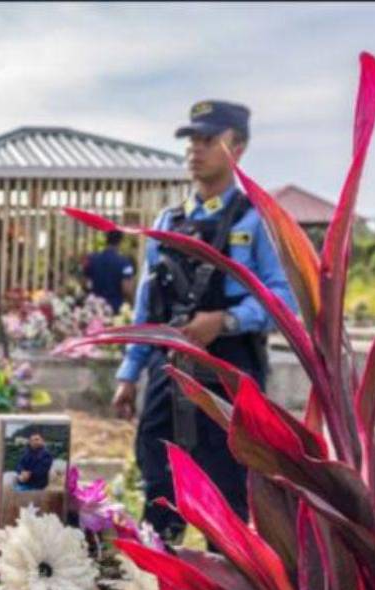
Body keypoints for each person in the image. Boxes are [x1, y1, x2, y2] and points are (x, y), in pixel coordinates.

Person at [110, 100, 296, 543]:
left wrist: (227, 320)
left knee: (229, 494)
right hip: (167, 370)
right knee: (157, 483)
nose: (196, 149)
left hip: (230, 375)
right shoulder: (167, 221)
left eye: (208, 140)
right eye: (191, 140)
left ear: (239, 147)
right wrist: (130, 372)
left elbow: (283, 300)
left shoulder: (257, 221)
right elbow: (145, 304)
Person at [82, 230, 135, 312]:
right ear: (120, 242)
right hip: (115, 308)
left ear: (106, 239)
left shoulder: (92, 259)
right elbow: (127, 289)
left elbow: (85, 283)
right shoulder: (125, 263)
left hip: (94, 307)